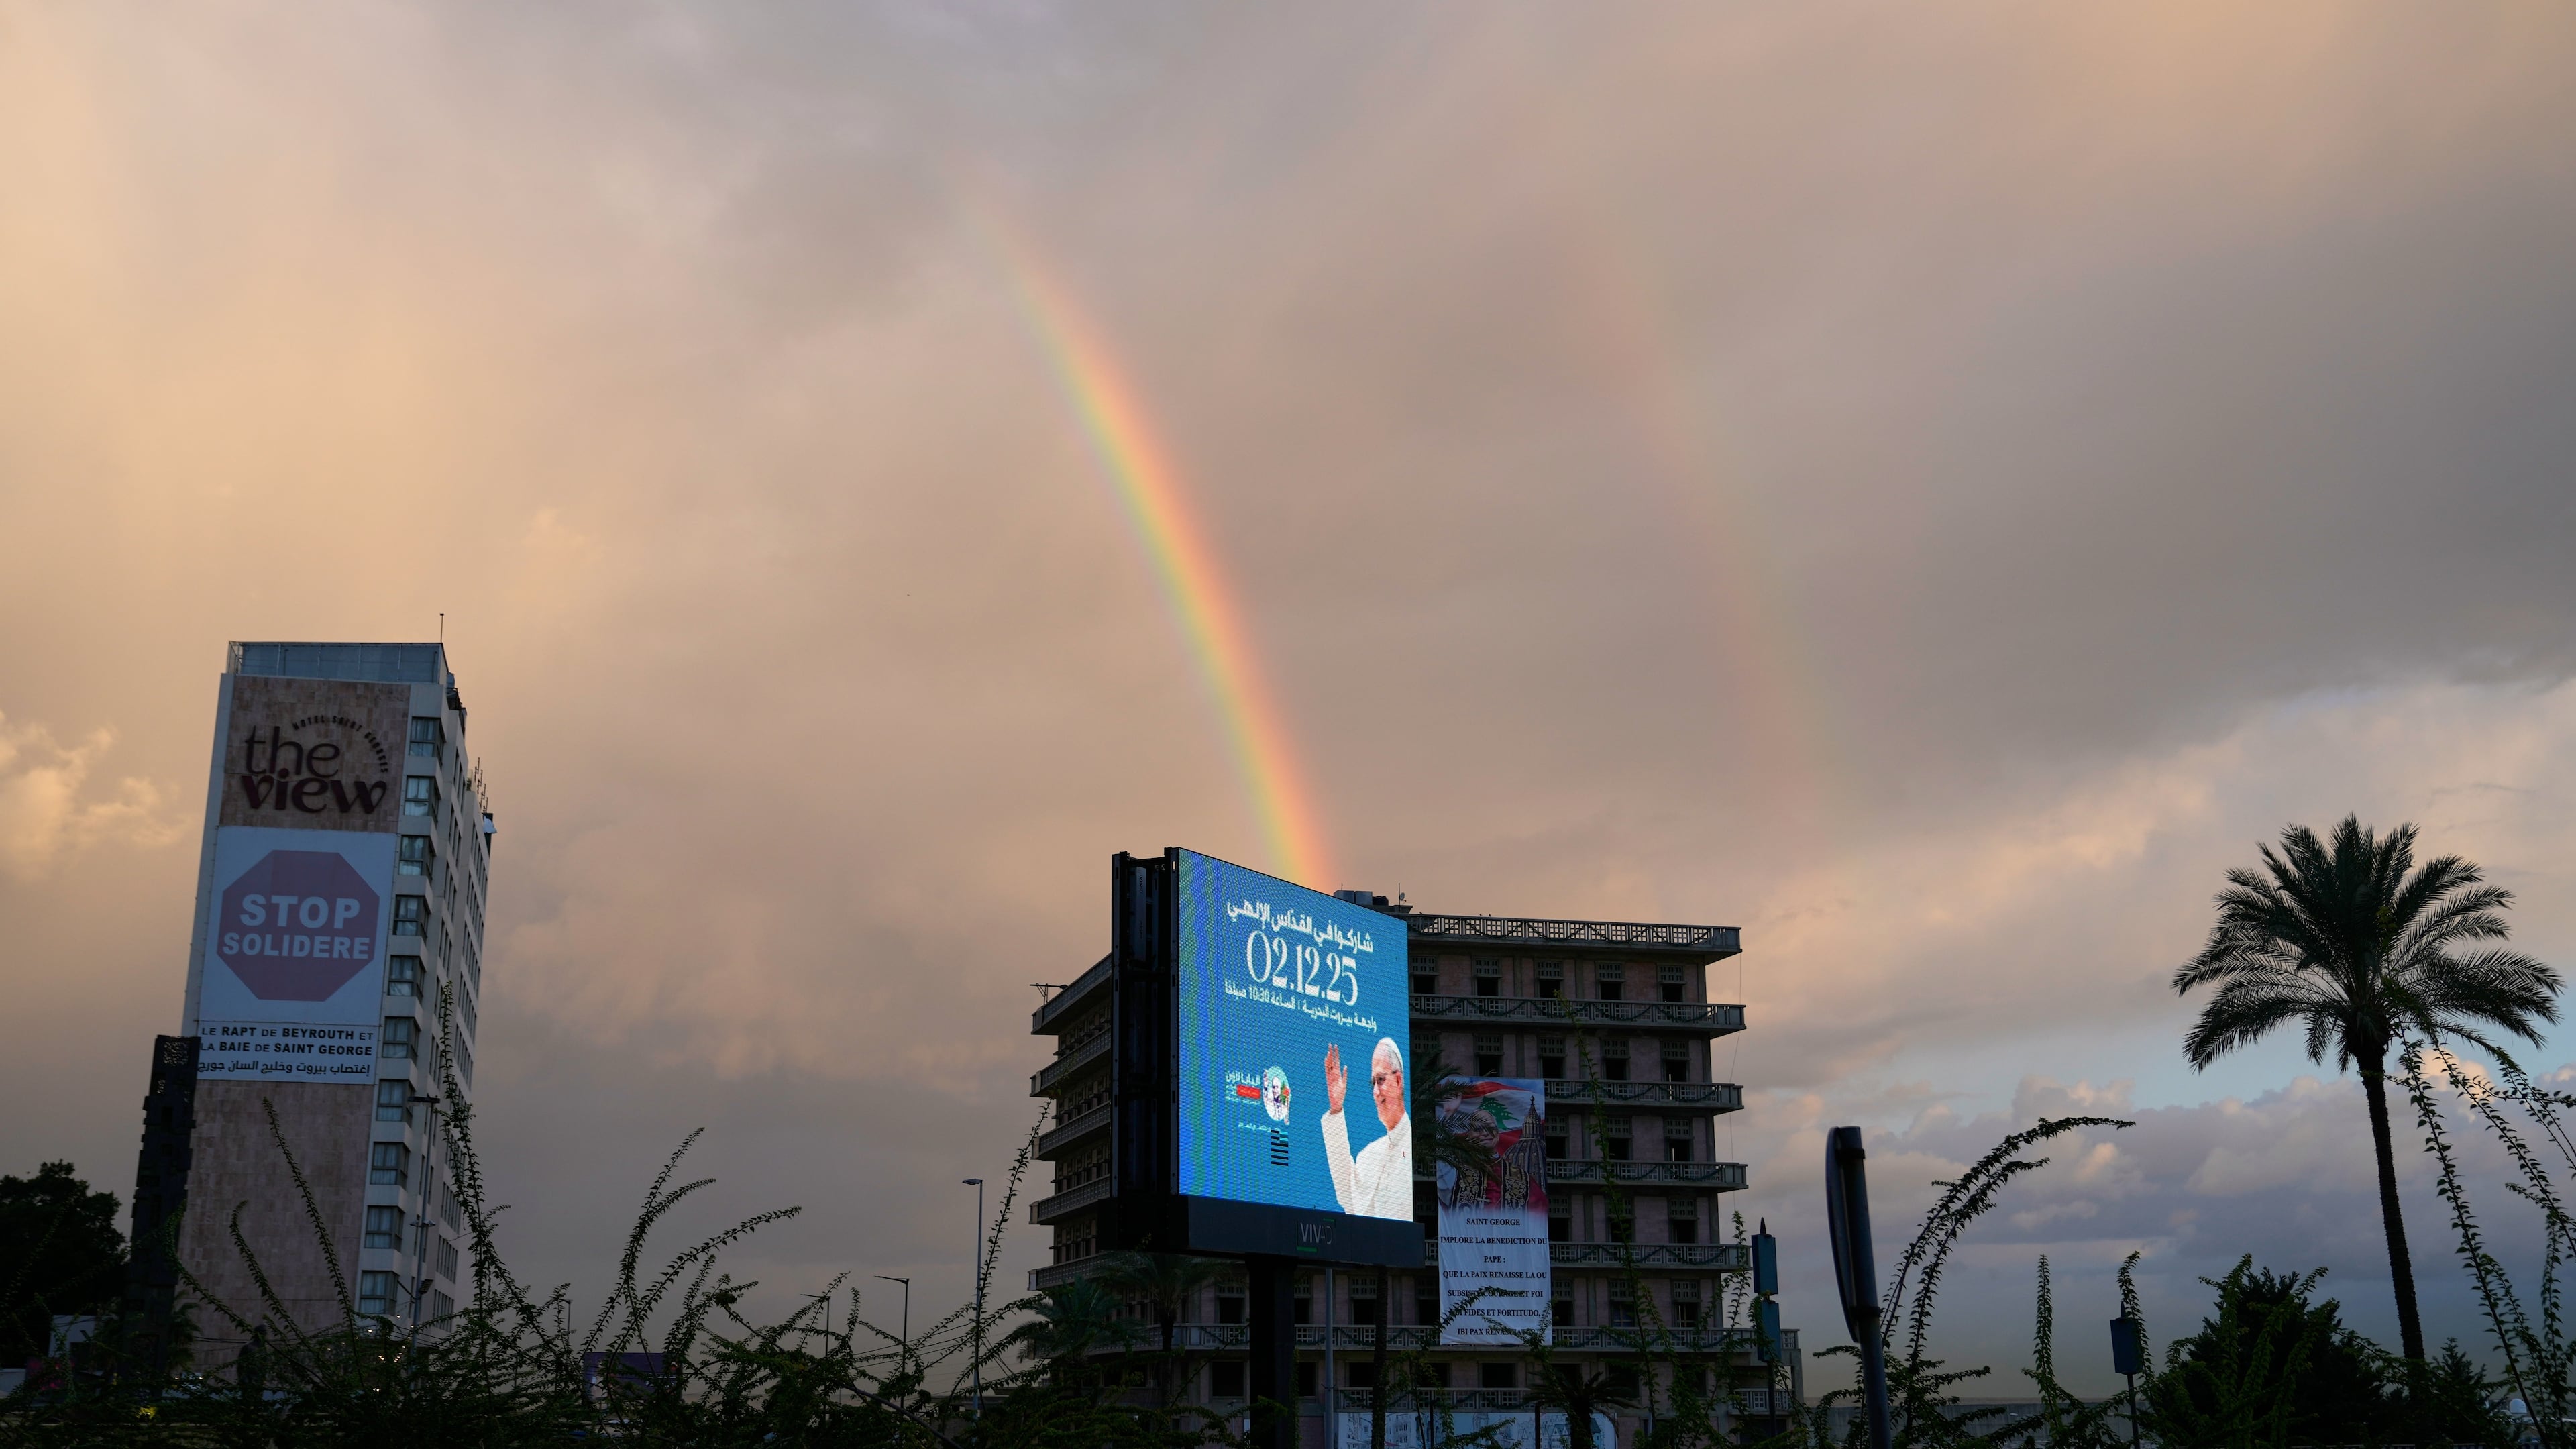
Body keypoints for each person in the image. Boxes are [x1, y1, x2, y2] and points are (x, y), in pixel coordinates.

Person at [1321, 1037, 1412, 1219]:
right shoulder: (1370, 1154)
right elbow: (1347, 1197)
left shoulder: (1415, 1146)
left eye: (1381, 1080)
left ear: (1399, 1081)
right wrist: (1336, 1107)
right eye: (1373, 1083)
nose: (1376, 1093)